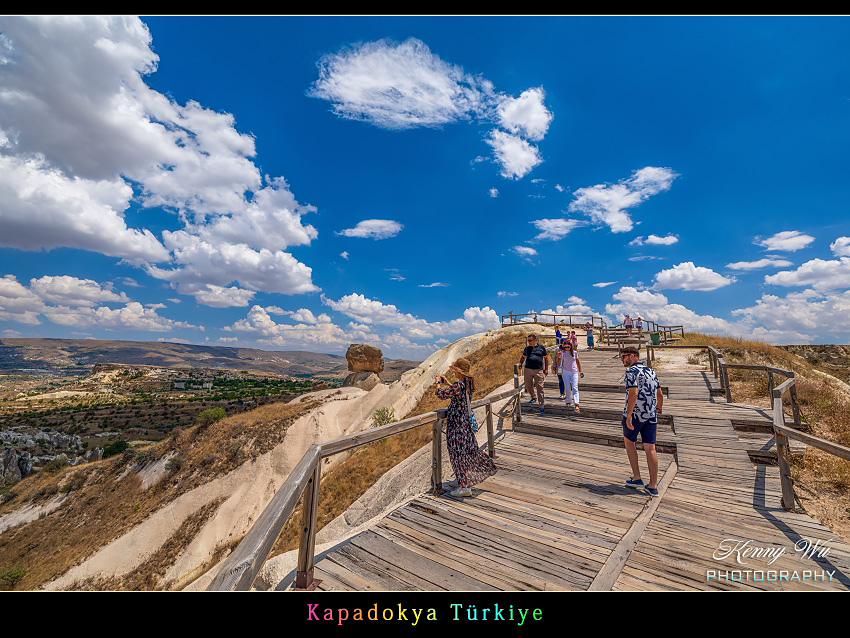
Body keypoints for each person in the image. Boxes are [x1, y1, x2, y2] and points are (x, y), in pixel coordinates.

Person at [435, 358, 497, 497]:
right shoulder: (466, 384)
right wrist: (448, 383)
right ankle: (461, 480)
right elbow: (458, 395)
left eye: (455, 371)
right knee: (463, 453)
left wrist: (438, 383)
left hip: (457, 426)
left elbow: (441, 395)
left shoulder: (459, 385)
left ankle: (464, 487)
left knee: (457, 454)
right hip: (464, 425)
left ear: (460, 372)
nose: (454, 373)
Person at [620, 347, 663, 497]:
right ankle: (653, 485)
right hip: (651, 414)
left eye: (624, 357)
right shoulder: (651, 371)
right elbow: (660, 393)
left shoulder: (631, 372)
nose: (622, 360)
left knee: (629, 442)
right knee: (650, 448)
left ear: (632, 356)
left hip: (636, 414)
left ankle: (637, 477)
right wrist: (659, 407)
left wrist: (629, 415)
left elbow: (633, 393)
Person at [519, 334, 548, 415]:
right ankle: (533, 397)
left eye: (530, 340)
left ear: (535, 340)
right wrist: (520, 363)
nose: (529, 342)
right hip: (528, 369)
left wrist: (546, 369)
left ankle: (541, 405)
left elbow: (546, 358)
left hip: (538, 370)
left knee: (540, 387)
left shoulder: (541, 348)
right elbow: (523, 357)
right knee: (528, 385)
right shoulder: (527, 348)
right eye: (528, 341)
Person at [559, 341, 584, 413]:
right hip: (565, 371)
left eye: (568, 347)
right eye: (565, 347)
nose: (567, 348)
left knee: (574, 387)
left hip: (574, 371)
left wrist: (580, 371)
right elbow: (558, 360)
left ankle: (576, 403)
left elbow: (577, 362)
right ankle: (568, 400)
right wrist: (558, 356)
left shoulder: (575, 353)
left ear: (571, 346)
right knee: (567, 386)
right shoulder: (562, 353)